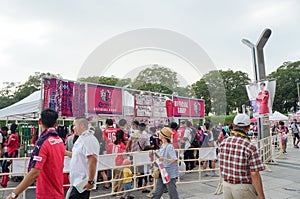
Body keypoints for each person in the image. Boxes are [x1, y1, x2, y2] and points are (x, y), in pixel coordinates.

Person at [7, 109, 65, 199]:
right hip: (58, 191)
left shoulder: (43, 142)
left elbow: (34, 172)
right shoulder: (59, 140)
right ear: (56, 123)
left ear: (39, 121)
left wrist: (14, 194)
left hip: (46, 193)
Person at [219, 114, 265, 199]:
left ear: (233, 126)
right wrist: (261, 196)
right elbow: (254, 173)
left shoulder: (224, 142)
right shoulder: (249, 146)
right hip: (243, 188)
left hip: (226, 186)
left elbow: (221, 166)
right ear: (248, 128)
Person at [66, 117, 100, 199]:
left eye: (74, 125)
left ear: (81, 125)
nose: (73, 128)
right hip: (77, 182)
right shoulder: (82, 138)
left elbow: (93, 160)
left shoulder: (89, 139)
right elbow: (78, 155)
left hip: (82, 183)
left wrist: (90, 181)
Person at [152, 127, 179, 199]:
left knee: (172, 194)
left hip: (168, 173)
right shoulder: (163, 146)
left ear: (163, 136)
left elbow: (175, 160)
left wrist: (163, 158)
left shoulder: (169, 147)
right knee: (157, 193)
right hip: (163, 171)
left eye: (160, 134)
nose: (159, 135)